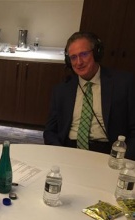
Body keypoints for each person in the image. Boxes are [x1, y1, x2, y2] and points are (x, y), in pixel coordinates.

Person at [43, 31, 135, 160]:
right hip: (69, 150)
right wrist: (59, 154)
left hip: (108, 153)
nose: (79, 62)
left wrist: (124, 160)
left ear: (97, 53)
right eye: (73, 57)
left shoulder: (124, 83)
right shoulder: (61, 90)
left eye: (84, 54)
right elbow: (50, 131)